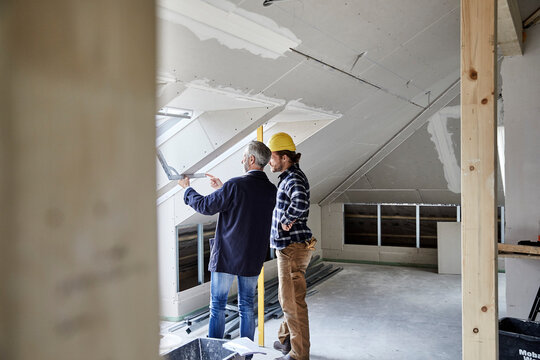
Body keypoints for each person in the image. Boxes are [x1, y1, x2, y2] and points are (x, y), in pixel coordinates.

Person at [177, 140, 276, 342]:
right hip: (252, 258)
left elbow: (205, 206)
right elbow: (246, 206)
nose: (242, 159)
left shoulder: (236, 185)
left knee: (218, 306)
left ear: (251, 159)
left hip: (227, 256)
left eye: (243, 155)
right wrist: (222, 188)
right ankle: (245, 355)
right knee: (247, 306)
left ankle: (216, 352)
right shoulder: (270, 189)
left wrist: (187, 190)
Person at [267, 132, 316, 360]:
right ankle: (286, 341)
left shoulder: (293, 179)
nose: (270, 161)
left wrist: (286, 220)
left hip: (291, 248)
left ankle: (299, 354)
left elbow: (300, 202)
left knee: (292, 304)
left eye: (272, 156)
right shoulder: (289, 177)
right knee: (288, 298)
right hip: (291, 248)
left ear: (284, 157)